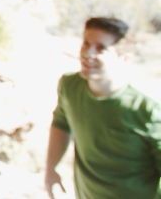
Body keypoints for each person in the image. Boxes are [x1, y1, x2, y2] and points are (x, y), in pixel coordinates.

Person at [44, 17, 161, 199]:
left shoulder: (147, 110)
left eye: (101, 48)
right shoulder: (69, 86)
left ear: (124, 57)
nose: (88, 53)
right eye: (86, 44)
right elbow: (61, 123)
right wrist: (50, 169)